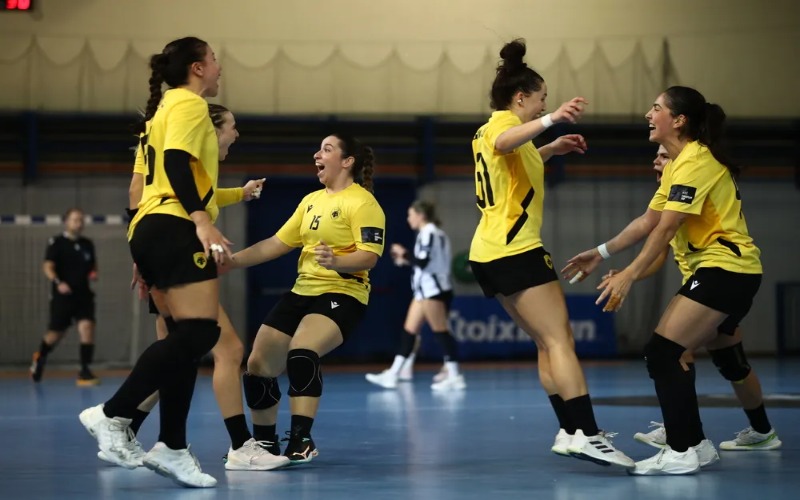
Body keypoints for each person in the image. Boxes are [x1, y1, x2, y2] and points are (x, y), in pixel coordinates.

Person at [576, 86, 763, 475]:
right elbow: (648, 221)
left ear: (678, 120)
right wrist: (602, 252)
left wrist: (629, 274)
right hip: (720, 272)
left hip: (725, 269)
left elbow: (665, 229)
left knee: (664, 353)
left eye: (656, 108)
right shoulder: (679, 165)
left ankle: (682, 449)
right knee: (677, 353)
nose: (649, 114)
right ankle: (694, 444)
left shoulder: (696, 161)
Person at [466, 39, 633, 468]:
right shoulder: (502, 126)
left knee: (545, 342)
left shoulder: (492, 131)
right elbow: (505, 143)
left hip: (489, 251)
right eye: (541, 99)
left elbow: (512, 164)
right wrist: (553, 119)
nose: (543, 105)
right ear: (521, 97)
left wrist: (551, 149)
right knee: (560, 340)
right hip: (516, 250)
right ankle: (589, 435)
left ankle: (569, 430)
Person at [79, 36, 235, 488]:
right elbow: (176, 162)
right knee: (201, 332)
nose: (219, 66)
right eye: (214, 59)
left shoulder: (160, 111)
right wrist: (201, 220)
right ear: (197, 68)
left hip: (151, 227)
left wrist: (141, 249)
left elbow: (142, 185)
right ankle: (112, 414)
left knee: (184, 341)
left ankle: (173, 446)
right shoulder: (188, 104)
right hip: (174, 224)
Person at [112, 103, 286, 473]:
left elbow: (157, 194)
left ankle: (126, 429)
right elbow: (153, 193)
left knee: (175, 355)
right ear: (211, 127)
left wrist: (240, 193)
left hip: (153, 243)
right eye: (232, 126)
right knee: (228, 349)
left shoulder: (156, 139)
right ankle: (239, 445)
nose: (236, 134)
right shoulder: (187, 139)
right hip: (176, 245)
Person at [224, 133, 385, 464]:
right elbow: (276, 243)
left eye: (326, 149)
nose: (316, 155)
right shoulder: (311, 200)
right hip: (302, 291)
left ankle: (301, 439)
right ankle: (265, 444)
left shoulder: (363, 203)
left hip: (343, 292)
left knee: (302, 351)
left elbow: (369, 256)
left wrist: (336, 261)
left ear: (347, 161)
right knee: (257, 365)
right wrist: (231, 262)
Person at [365, 200, 463, 390]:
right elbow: (426, 263)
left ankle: (455, 375)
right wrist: (406, 260)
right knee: (409, 332)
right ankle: (393, 374)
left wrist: (404, 254)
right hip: (424, 290)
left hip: (433, 290)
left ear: (421, 215)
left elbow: (424, 262)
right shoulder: (431, 233)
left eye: (411, 215)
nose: (408, 219)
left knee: (440, 331)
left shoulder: (430, 233)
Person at [31, 208, 99, 386]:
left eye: (81, 220)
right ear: (66, 222)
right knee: (56, 334)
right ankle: (40, 356)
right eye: (75, 219)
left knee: (87, 327)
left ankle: (85, 370)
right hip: (63, 297)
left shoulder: (87, 244)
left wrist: (93, 273)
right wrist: (58, 282)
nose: (79, 223)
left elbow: (93, 266)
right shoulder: (56, 243)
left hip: (83, 295)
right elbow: (48, 267)